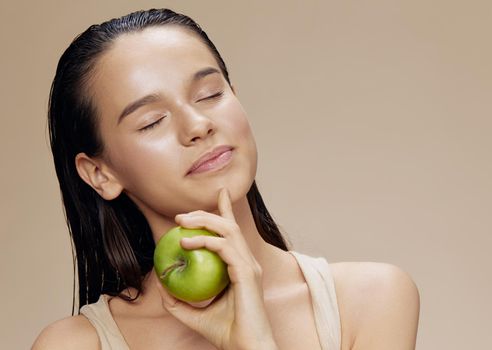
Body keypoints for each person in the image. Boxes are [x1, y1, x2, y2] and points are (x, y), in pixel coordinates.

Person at [32, 8, 420, 350]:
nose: (198, 125)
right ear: (101, 173)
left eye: (210, 94)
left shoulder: (369, 301)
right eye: (152, 121)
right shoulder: (74, 344)